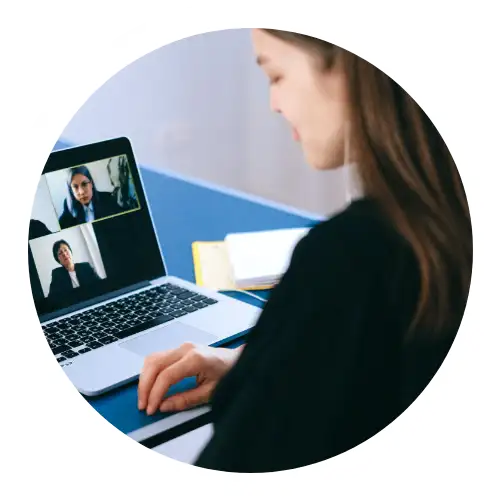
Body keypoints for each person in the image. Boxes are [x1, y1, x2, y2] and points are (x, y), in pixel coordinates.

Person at [136, 29, 472, 473]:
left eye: (276, 75)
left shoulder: (348, 261)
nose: (273, 104)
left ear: (351, 65)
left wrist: (269, 374)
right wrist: (259, 363)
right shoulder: (455, 215)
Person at [58, 165, 122, 229]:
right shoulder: (68, 205)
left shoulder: (107, 198)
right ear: (71, 190)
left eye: (84, 184)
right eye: (75, 187)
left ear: (91, 184)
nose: (81, 192)